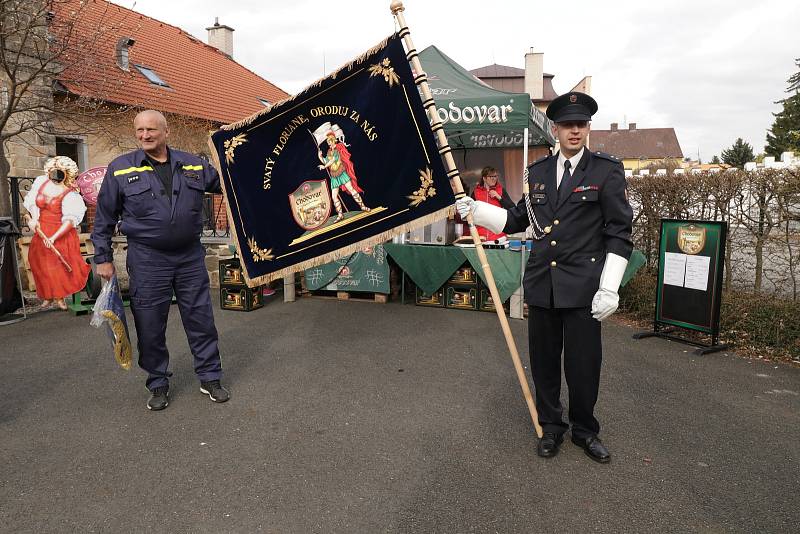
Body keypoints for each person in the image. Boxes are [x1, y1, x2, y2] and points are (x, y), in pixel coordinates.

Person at [456, 92, 633, 463]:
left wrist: (609, 287)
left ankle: (585, 430)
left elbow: (619, 231)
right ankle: (551, 427)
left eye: (580, 125)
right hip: (543, 285)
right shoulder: (536, 172)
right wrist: (478, 210)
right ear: (555, 129)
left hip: (585, 287)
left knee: (584, 367)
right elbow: (518, 221)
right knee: (544, 364)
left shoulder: (605, 170)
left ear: (587, 128)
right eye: (567, 125)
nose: (574, 131)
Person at [91, 110, 230, 411]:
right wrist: (102, 258)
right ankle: (157, 383)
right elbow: (103, 218)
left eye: (151, 130)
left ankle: (210, 377)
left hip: (190, 256)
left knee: (201, 319)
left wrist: (243, 150)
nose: (145, 135)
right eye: (139, 130)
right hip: (147, 259)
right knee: (150, 324)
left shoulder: (193, 164)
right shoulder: (120, 169)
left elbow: (230, 183)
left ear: (166, 132)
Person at [23, 156, 91, 310]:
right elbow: (32, 203)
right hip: (41, 230)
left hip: (61, 233)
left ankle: (60, 298)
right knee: (39, 263)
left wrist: (54, 237)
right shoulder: (41, 182)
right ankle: (47, 296)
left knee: (57, 266)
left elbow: (69, 220)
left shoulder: (70, 194)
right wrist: (33, 220)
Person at [317, 131, 370, 222]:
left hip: (342, 173)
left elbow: (333, 160)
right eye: (328, 143)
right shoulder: (329, 151)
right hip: (334, 177)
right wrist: (320, 157)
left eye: (329, 142)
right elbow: (326, 161)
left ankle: (363, 206)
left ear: (333, 141)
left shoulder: (338, 149)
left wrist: (324, 166)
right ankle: (340, 214)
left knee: (352, 189)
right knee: (334, 196)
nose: (329, 144)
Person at [471, 166, 515, 241]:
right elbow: (469, 211)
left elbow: (513, 208)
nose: (494, 178)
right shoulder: (476, 192)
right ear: (484, 178)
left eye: (495, 176)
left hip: (498, 237)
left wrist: (499, 197)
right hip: (480, 237)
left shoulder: (501, 190)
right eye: (491, 176)